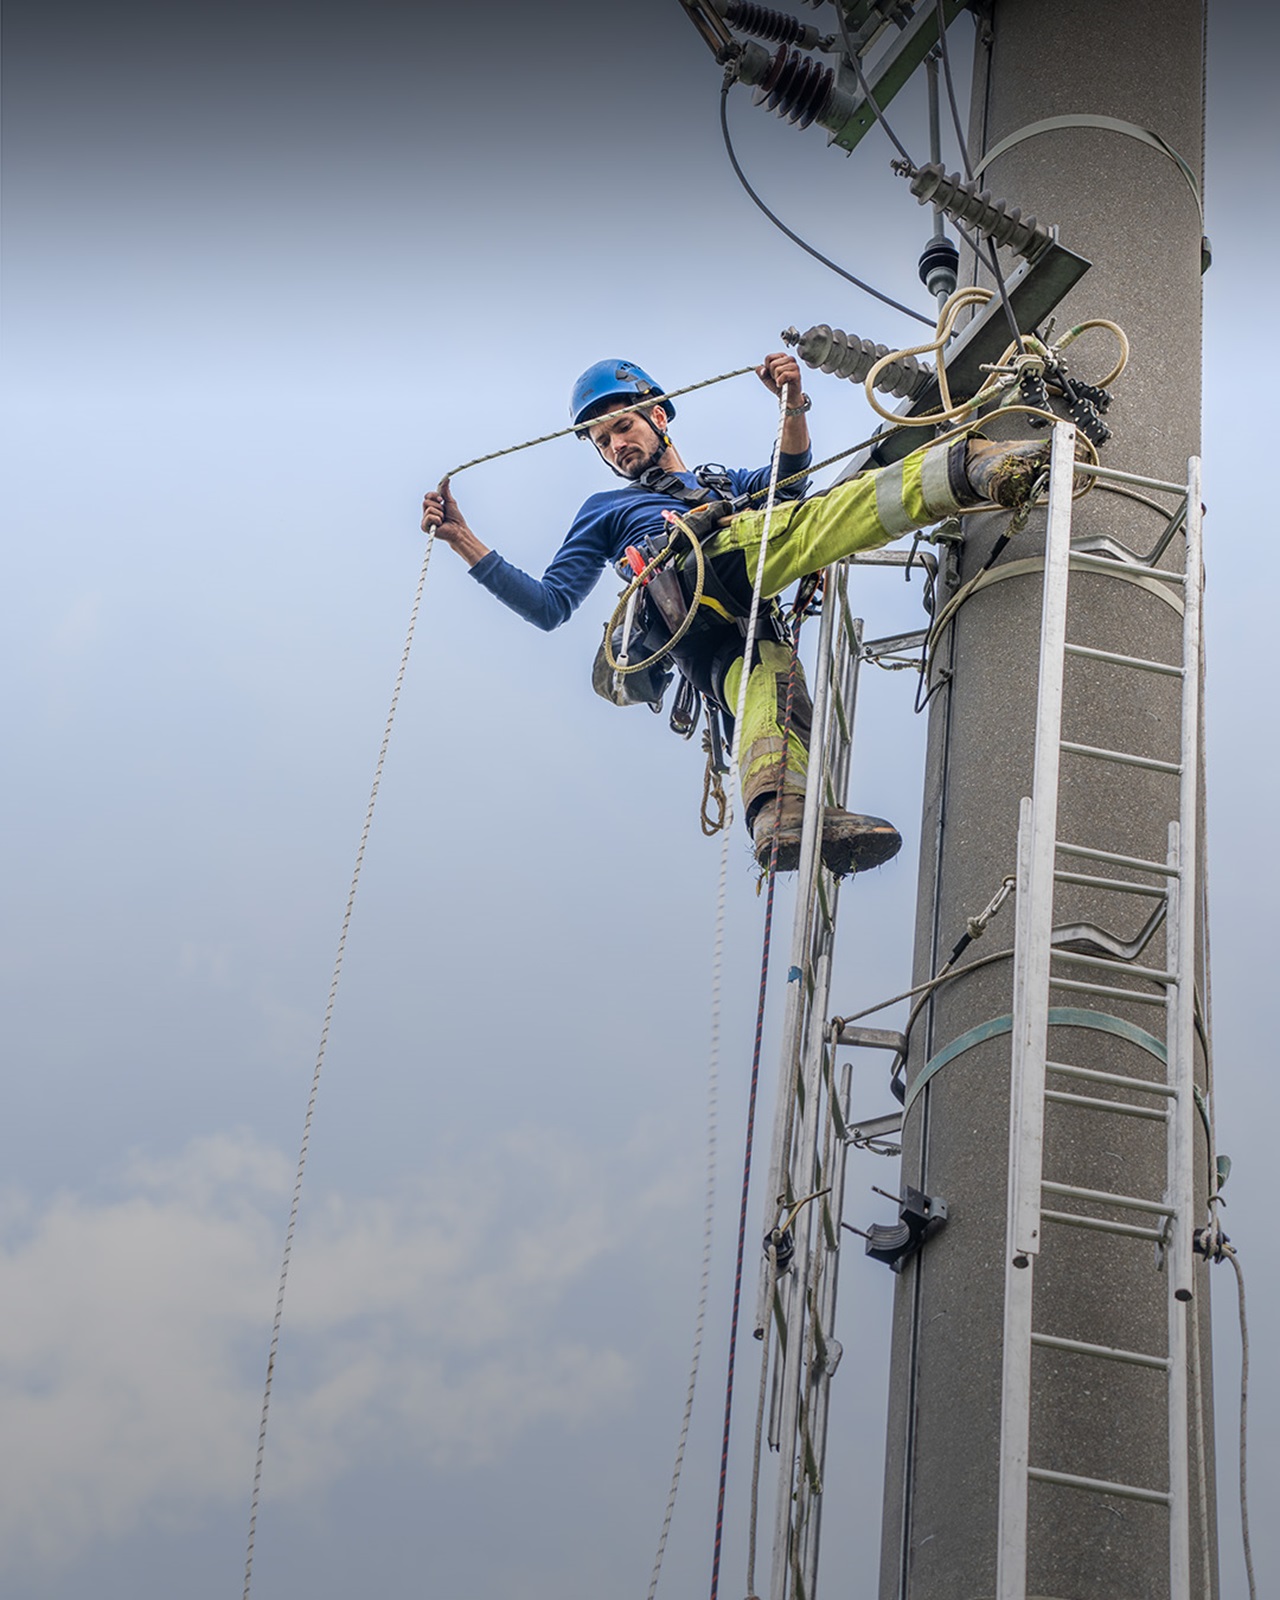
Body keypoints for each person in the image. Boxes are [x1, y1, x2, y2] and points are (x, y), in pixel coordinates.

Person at [421, 353, 1048, 874]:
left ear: (657, 416)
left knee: (774, 692)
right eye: (603, 440)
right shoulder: (606, 509)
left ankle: (778, 812)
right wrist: (463, 540)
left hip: (738, 629)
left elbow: (789, 479)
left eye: (623, 427)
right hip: (694, 584)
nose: (616, 446)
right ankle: (967, 466)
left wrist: (793, 402)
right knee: (820, 521)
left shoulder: (725, 484)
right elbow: (549, 605)